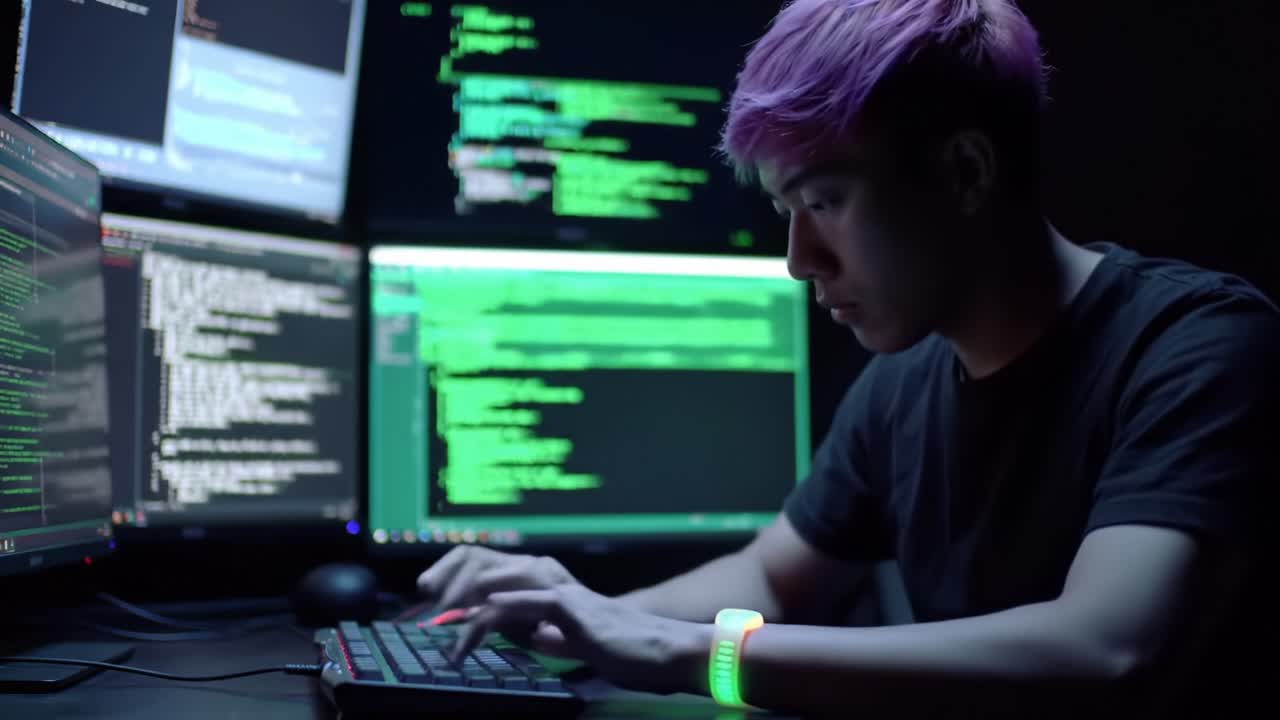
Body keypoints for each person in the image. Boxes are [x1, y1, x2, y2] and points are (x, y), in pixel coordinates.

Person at [417, 0, 1278, 715]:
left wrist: (679, 651)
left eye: (824, 201)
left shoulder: (1196, 346)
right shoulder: (902, 381)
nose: (800, 259)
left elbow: (1108, 650)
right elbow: (774, 576)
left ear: (965, 173)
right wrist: (566, 618)